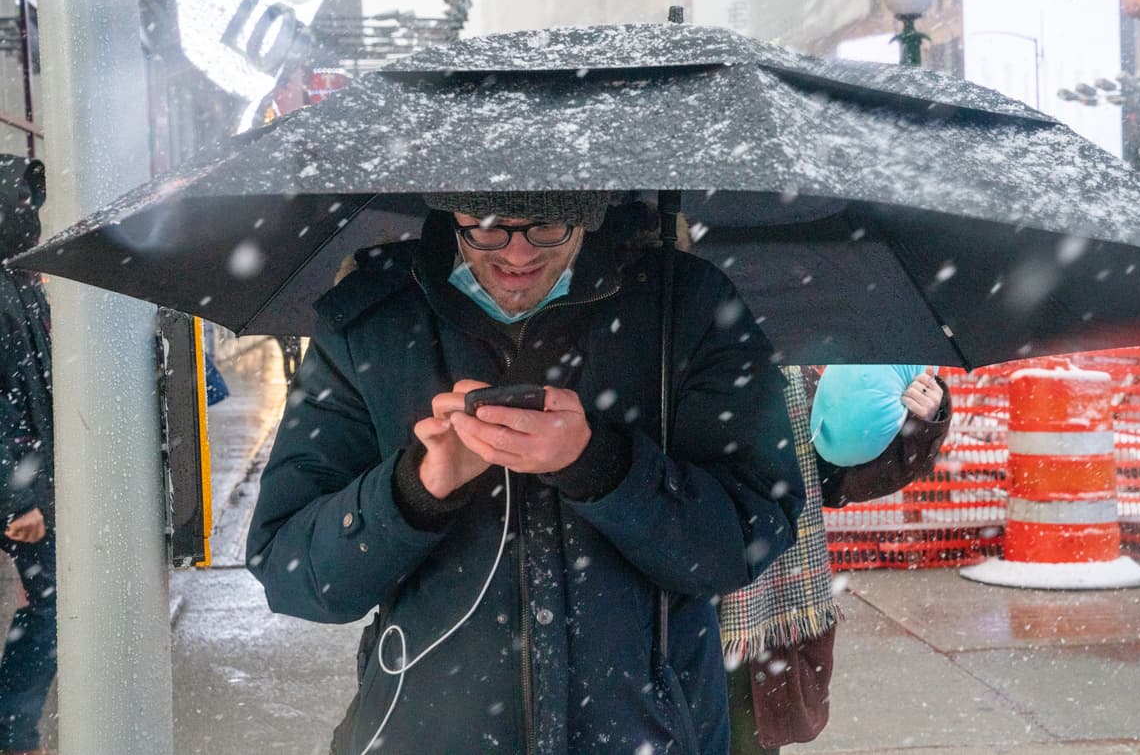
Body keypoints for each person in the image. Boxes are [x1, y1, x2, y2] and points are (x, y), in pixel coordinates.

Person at [247, 192, 804, 754]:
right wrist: (416, 489)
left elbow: (749, 534)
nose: (515, 254)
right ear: (451, 207)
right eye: (485, 226)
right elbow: (293, 573)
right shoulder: (370, 319)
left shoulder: (686, 307)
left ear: (587, 212)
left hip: (651, 732)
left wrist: (599, 466)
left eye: (547, 226)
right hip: (428, 732)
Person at [722, 364, 951, 754]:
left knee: (743, 740)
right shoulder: (642, 366)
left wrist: (916, 421)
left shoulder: (786, 374)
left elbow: (843, 475)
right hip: (659, 612)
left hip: (754, 624)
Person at [0, 156, 56, 755]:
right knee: (54, 609)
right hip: (22, 486)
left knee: (51, 605)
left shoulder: (17, 282)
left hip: (33, 479)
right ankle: (13, 732)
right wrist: (18, 499)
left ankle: (15, 730)